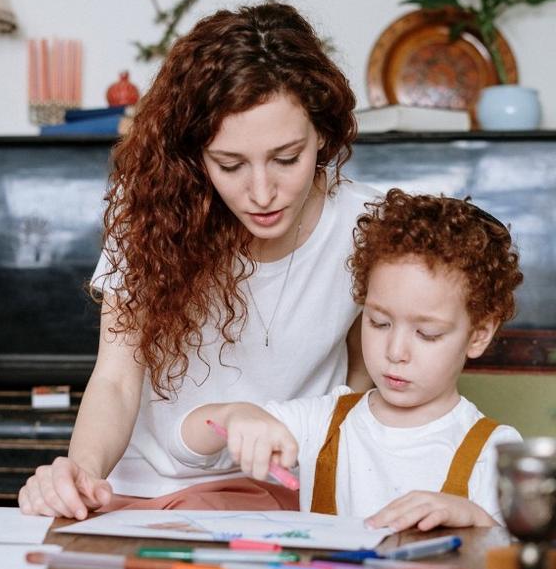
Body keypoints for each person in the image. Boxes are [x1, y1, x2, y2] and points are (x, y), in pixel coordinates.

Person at [18, 2, 378, 519]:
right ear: (196, 153)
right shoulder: (151, 207)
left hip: (282, 490)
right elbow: (118, 377)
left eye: (286, 158)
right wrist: (83, 475)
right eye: (230, 164)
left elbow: (364, 376)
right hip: (140, 486)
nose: (261, 193)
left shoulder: (365, 225)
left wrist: (316, 465)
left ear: (322, 132)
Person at [178, 189, 524, 530]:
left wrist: (475, 519)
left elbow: (519, 563)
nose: (395, 352)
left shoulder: (495, 450)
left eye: (427, 334)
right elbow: (188, 445)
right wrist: (233, 415)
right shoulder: (321, 424)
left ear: (478, 334)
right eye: (379, 323)